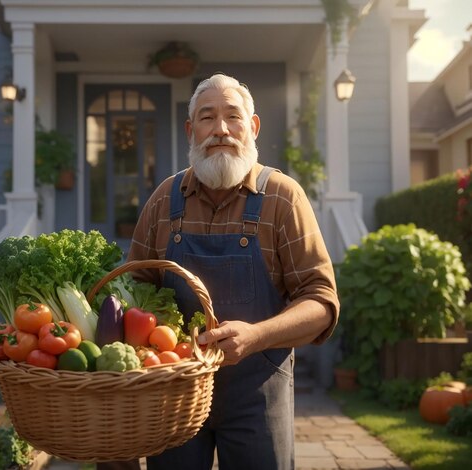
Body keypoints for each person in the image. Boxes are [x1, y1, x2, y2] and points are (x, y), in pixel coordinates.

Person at [104, 73, 340, 470]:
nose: (221, 130)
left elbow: (321, 302)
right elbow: (133, 292)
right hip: (173, 396)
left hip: (258, 394)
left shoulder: (282, 199)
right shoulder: (164, 200)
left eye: (233, 116)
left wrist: (256, 335)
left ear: (253, 126)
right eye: (207, 117)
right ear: (190, 130)